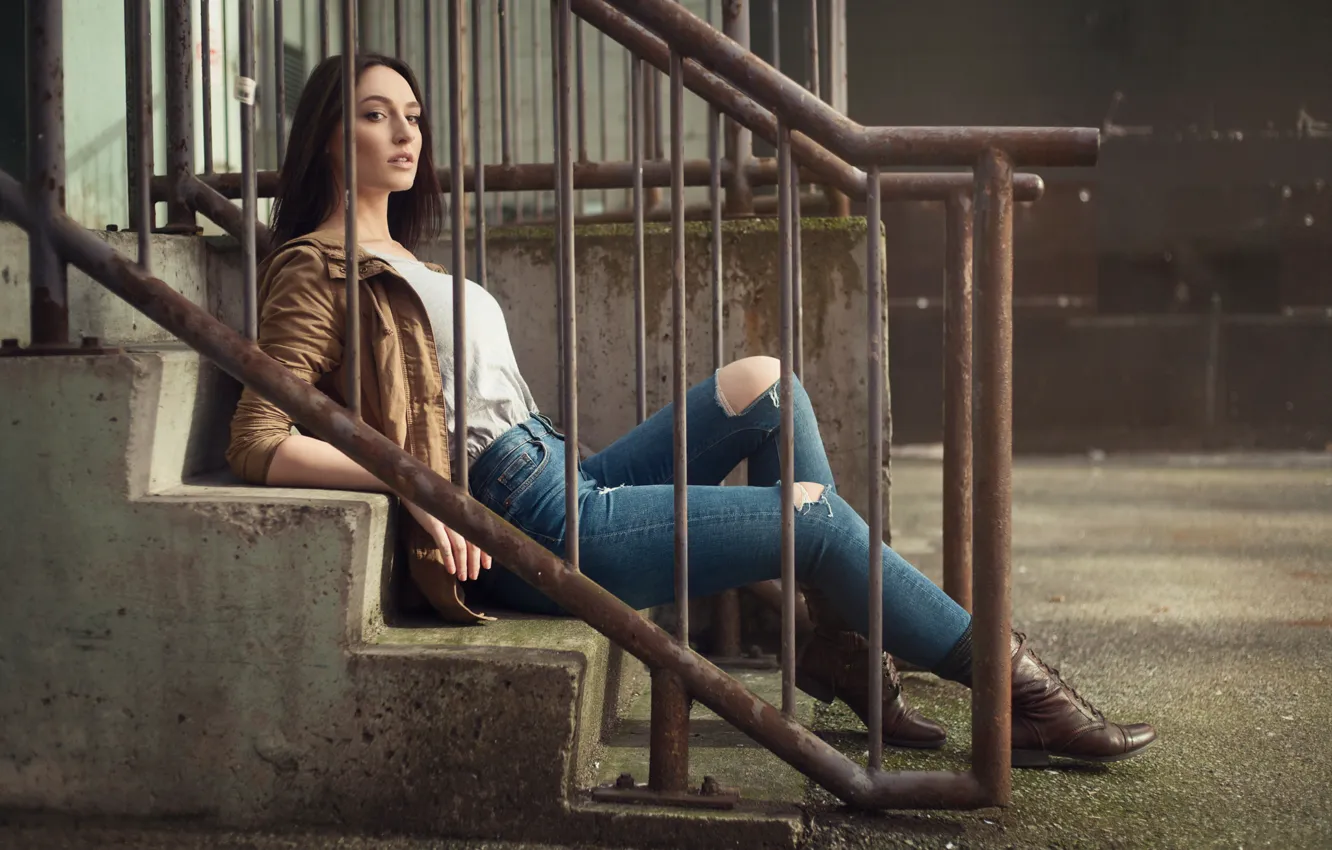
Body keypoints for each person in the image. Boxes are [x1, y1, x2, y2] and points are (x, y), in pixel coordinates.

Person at [228, 54, 1156, 767]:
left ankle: (833, 649)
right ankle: (1015, 689)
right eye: (374, 115)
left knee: (768, 383)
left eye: (413, 116)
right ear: (322, 138)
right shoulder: (316, 268)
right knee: (815, 521)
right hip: (521, 520)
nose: (404, 133)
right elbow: (262, 441)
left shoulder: (417, 258)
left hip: (561, 473)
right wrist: (416, 487)